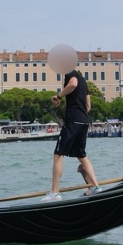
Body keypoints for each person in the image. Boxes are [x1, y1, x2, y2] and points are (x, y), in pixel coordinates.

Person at [42, 68, 101, 201]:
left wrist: (59, 96)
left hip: (73, 121)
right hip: (84, 121)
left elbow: (72, 84)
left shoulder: (70, 74)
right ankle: (96, 186)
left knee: (58, 154)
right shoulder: (84, 82)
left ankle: (55, 193)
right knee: (81, 155)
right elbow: (88, 107)